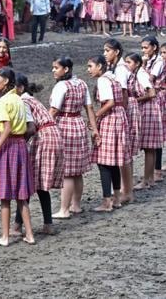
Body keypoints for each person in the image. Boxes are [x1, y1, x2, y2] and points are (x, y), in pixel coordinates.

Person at [0, 67, 35, 246]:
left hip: (9, 147)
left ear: (5, 81)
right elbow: (19, 126)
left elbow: (8, 128)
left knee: (5, 196)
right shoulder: (19, 99)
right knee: (21, 195)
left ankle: (5, 237)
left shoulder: (3, 101)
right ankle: (30, 234)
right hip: (20, 146)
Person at [13, 73, 63, 235]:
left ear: (19, 88)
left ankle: (17, 225)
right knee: (39, 183)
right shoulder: (31, 99)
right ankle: (47, 224)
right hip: (52, 135)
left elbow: (31, 128)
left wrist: (18, 141)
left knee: (28, 182)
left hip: (44, 138)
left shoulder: (23, 101)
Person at [49, 57, 99, 219]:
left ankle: (64, 209)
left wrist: (42, 125)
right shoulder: (82, 84)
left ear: (66, 69)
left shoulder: (61, 86)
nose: (53, 71)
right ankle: (76, 205)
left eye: (56, 68)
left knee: (68, 171)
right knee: (77, 171)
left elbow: (54, 110)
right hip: (78, 124)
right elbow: (89, 108)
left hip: (65, 125)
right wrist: (94, 128)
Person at [87, 55, 128, 211]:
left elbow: (109, 102)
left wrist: (95, 116)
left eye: (91, 66)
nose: (88, 70)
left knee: (103, 162)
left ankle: (106, 202)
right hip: (119, 117)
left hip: (110, 119)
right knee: (113, 162)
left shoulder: (103, 80)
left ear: (100, 66)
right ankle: (116, 198)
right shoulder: (113, 77)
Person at [103, 39, 136, 203]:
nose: (105, 54)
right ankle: (125, 189)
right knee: (123, 152)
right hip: (123, 109)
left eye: (107, 50)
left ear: (116, 52)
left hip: (123, 108)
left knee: (124, 153)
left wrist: (121, 112)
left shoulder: (121, 69)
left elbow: (123, 93)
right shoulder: (114, 67)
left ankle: (127, 191)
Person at [126, 53, 162, 189]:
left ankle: (147, 180)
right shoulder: (140, 73)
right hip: (150, 109)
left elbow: (151, 93)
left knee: (148, 147)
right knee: (150, 148)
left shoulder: (140, 75)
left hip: (148, 110)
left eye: (129, 62)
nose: (127, 65)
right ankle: (149, 178)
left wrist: (136, 100)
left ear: (137, 64)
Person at [141, 36, 166, 183]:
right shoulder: (153, 60)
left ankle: (154, 173)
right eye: (142, 47)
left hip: (156, 98)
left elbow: (150, 79)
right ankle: (153, 173)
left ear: (154, 47)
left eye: (146, 47)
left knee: (155, 137)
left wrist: (142, 64)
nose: (144, 50)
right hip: (153, 96)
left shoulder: (158, 62)